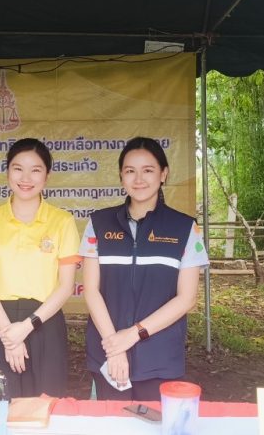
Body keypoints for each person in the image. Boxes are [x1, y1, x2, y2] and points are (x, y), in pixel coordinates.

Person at [81, 137, 208, 400]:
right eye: (130, 171)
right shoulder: (98, 223)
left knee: (155, 420)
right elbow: (91, 290)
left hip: (160, 357)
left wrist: (133, 334)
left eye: (148, 170)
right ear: (121, 177)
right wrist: (115, 347)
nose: (138, 179)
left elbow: (187, 298)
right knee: (112, 422)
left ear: (163, 174)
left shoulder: (185, 228)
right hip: (108, 354)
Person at [0, 138, 81, 398]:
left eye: (35, 170)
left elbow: (65, 286)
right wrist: (9, 336)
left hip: (45, 323)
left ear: (47, 176)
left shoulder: (62, 221)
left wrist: (26, 327)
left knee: (43, 405)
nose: (26, 178)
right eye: (18, 168)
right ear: (7, 172)